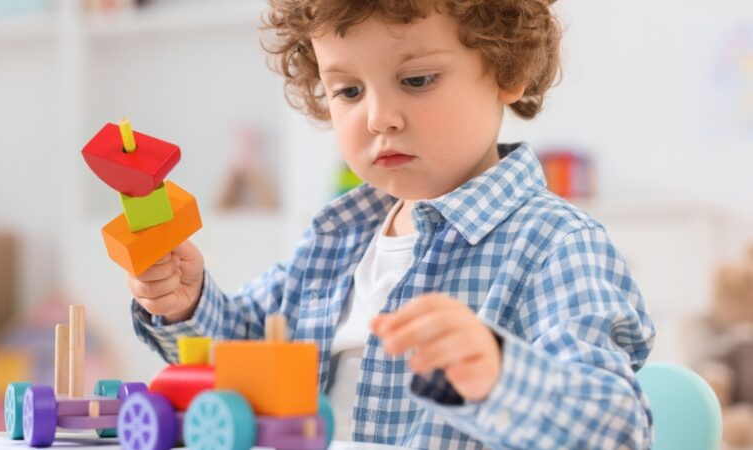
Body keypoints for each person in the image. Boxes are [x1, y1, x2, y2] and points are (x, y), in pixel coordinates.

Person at [127, 1, 656, 448]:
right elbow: (242, 354)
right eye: (349, 91)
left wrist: (499, 374)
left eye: (417, 79)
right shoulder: (339, 237)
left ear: (507, 69)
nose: (379, 117)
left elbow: (618, 428)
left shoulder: (556, 245)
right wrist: (186, 304)